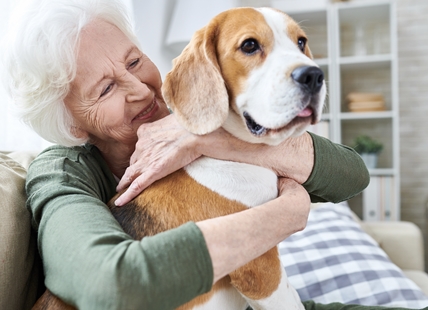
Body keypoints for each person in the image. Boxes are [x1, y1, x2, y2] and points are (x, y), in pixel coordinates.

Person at [4, 0, 408, 309]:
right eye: (106, 88)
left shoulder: (203, 116)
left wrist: (205, 139)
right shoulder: (59, 171)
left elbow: (353, 175)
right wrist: (286, 214)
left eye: (134, 61)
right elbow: (110, 283)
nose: (142, 90)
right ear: (72, 122)